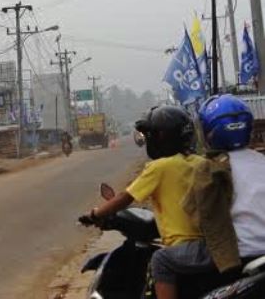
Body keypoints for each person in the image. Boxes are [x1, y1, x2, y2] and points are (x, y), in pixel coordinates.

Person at [83, 105, 209, 299]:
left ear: (160, 137)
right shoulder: (201, 162)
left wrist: (95, 215)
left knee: (159, 261)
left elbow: (124, 197)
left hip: (184, 249)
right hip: (210, 246)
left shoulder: (159, 168)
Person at [199, 94, 265, 261]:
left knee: (162, 261)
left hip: (241, 253)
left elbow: (200, 217)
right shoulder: (261, 160)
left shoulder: (212, 169)